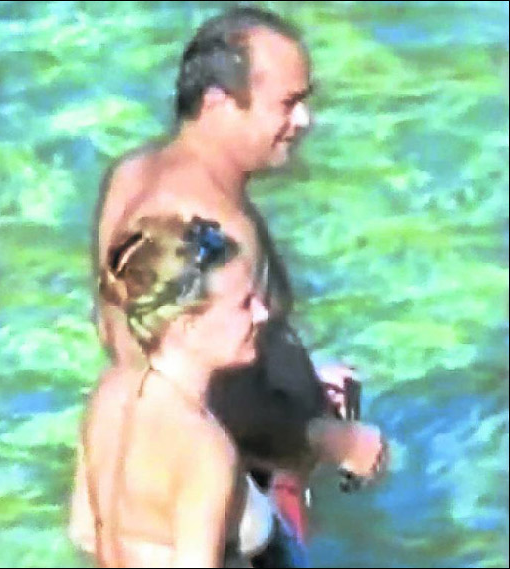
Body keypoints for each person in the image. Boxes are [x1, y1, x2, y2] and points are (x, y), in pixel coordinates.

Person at [91, 5, 388, 557]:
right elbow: (216, 402)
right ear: (217, 104)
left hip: (140, 483)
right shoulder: (217, 223)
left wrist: (301, 376)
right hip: (218, 509)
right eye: (288, 103)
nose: (305, 121)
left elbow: (146, 344)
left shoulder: (132, 175)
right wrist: (332, 439)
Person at [70, 214, 278, 567]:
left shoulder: (109, 391)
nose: (262, 314)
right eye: (244, 304)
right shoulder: (204, 449)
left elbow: (86, 530)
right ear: (187, 328)